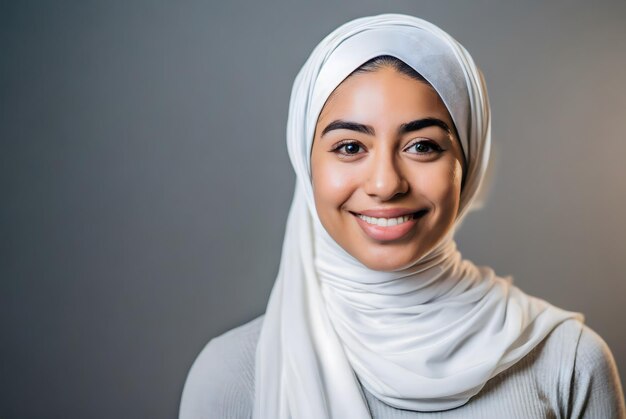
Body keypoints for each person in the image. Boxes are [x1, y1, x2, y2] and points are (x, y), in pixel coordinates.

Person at [179, 14, 625, 419]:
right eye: (350, 147)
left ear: (467, 164)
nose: (386, 183)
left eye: (422, 146)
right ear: (305, 162)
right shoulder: (232, 375)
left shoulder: (567, 362)